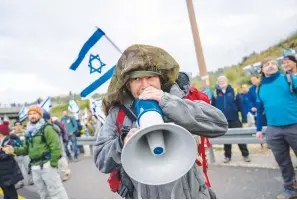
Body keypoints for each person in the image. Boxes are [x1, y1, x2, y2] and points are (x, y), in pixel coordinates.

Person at [93, 44, 228, 199]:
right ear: (128, 84)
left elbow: (220, 124)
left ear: (160, 79)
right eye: (137, 79)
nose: (145, 86)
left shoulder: (179, 97)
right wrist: (122, 142)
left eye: (150, 77)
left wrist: (168, 102)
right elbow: (101, 160)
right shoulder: (118, 113)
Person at [3, 105, 68, 199]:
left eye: (34, 113)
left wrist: (53, 163)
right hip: (35, 166)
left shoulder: (47, 128)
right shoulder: (28, 132)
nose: (32, 116)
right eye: (30, 114)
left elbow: (55, 147)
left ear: (40, 115)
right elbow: (25, 149)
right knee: (43, 192)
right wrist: (13, 150)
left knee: (56, 191)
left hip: (47, 164)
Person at [256, 57, 297, 199]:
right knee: (283, 162)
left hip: (294, 125)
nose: (271, 66)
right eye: (267, 64)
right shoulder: (260, 87)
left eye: (274, 63)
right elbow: (260, 110)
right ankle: (290, 189)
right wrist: (258, 129)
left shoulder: (289, 79)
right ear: (261, 69)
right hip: (274, 129)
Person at [212, 76, 250, 163]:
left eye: (223, 80)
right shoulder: (215, 93)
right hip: (223, 121)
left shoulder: (234, 91)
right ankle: (227, 156)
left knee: (240, 138)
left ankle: (246, 155)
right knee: (226, 139)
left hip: (235, 119)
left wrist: (244, 119)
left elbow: (241, 106)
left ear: (227, 81)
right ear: (218, 83)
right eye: (220, 81)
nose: (222, 82)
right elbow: (213, 108)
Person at [0, 121, 23, 199]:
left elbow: (7, 155)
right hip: (2, 173)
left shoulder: (9, 141)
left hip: (8, 172)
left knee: (12, 194)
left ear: (1, 133)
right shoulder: (1, 141)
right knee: (6, 193)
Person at [10, 121, 34, 188]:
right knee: (18, 169)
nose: (18, 126)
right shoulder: (11, 134)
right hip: (16, 154)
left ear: (21, 126)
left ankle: (30, 180)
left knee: (28, 167)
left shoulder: (25, 132)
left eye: (19, 125)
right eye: (16, 125)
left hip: (25, 153)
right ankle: (20, 182)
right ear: (14, 126)